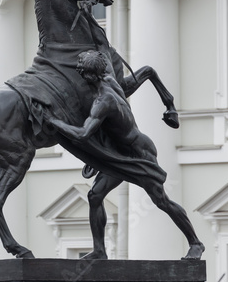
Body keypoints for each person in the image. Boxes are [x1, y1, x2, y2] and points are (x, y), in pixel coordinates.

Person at [46, 50, 204, 260]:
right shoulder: (110, 80)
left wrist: (54, 122)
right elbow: (147, 71)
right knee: (95, 196)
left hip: (138, 153)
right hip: (121, 151)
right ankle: (99, 251)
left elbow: (83, 134)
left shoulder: (103, 101)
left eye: (81, 71)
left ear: (91, 76)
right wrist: (169, 104)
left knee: (161, 200)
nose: (78, 72)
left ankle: (196, 243)